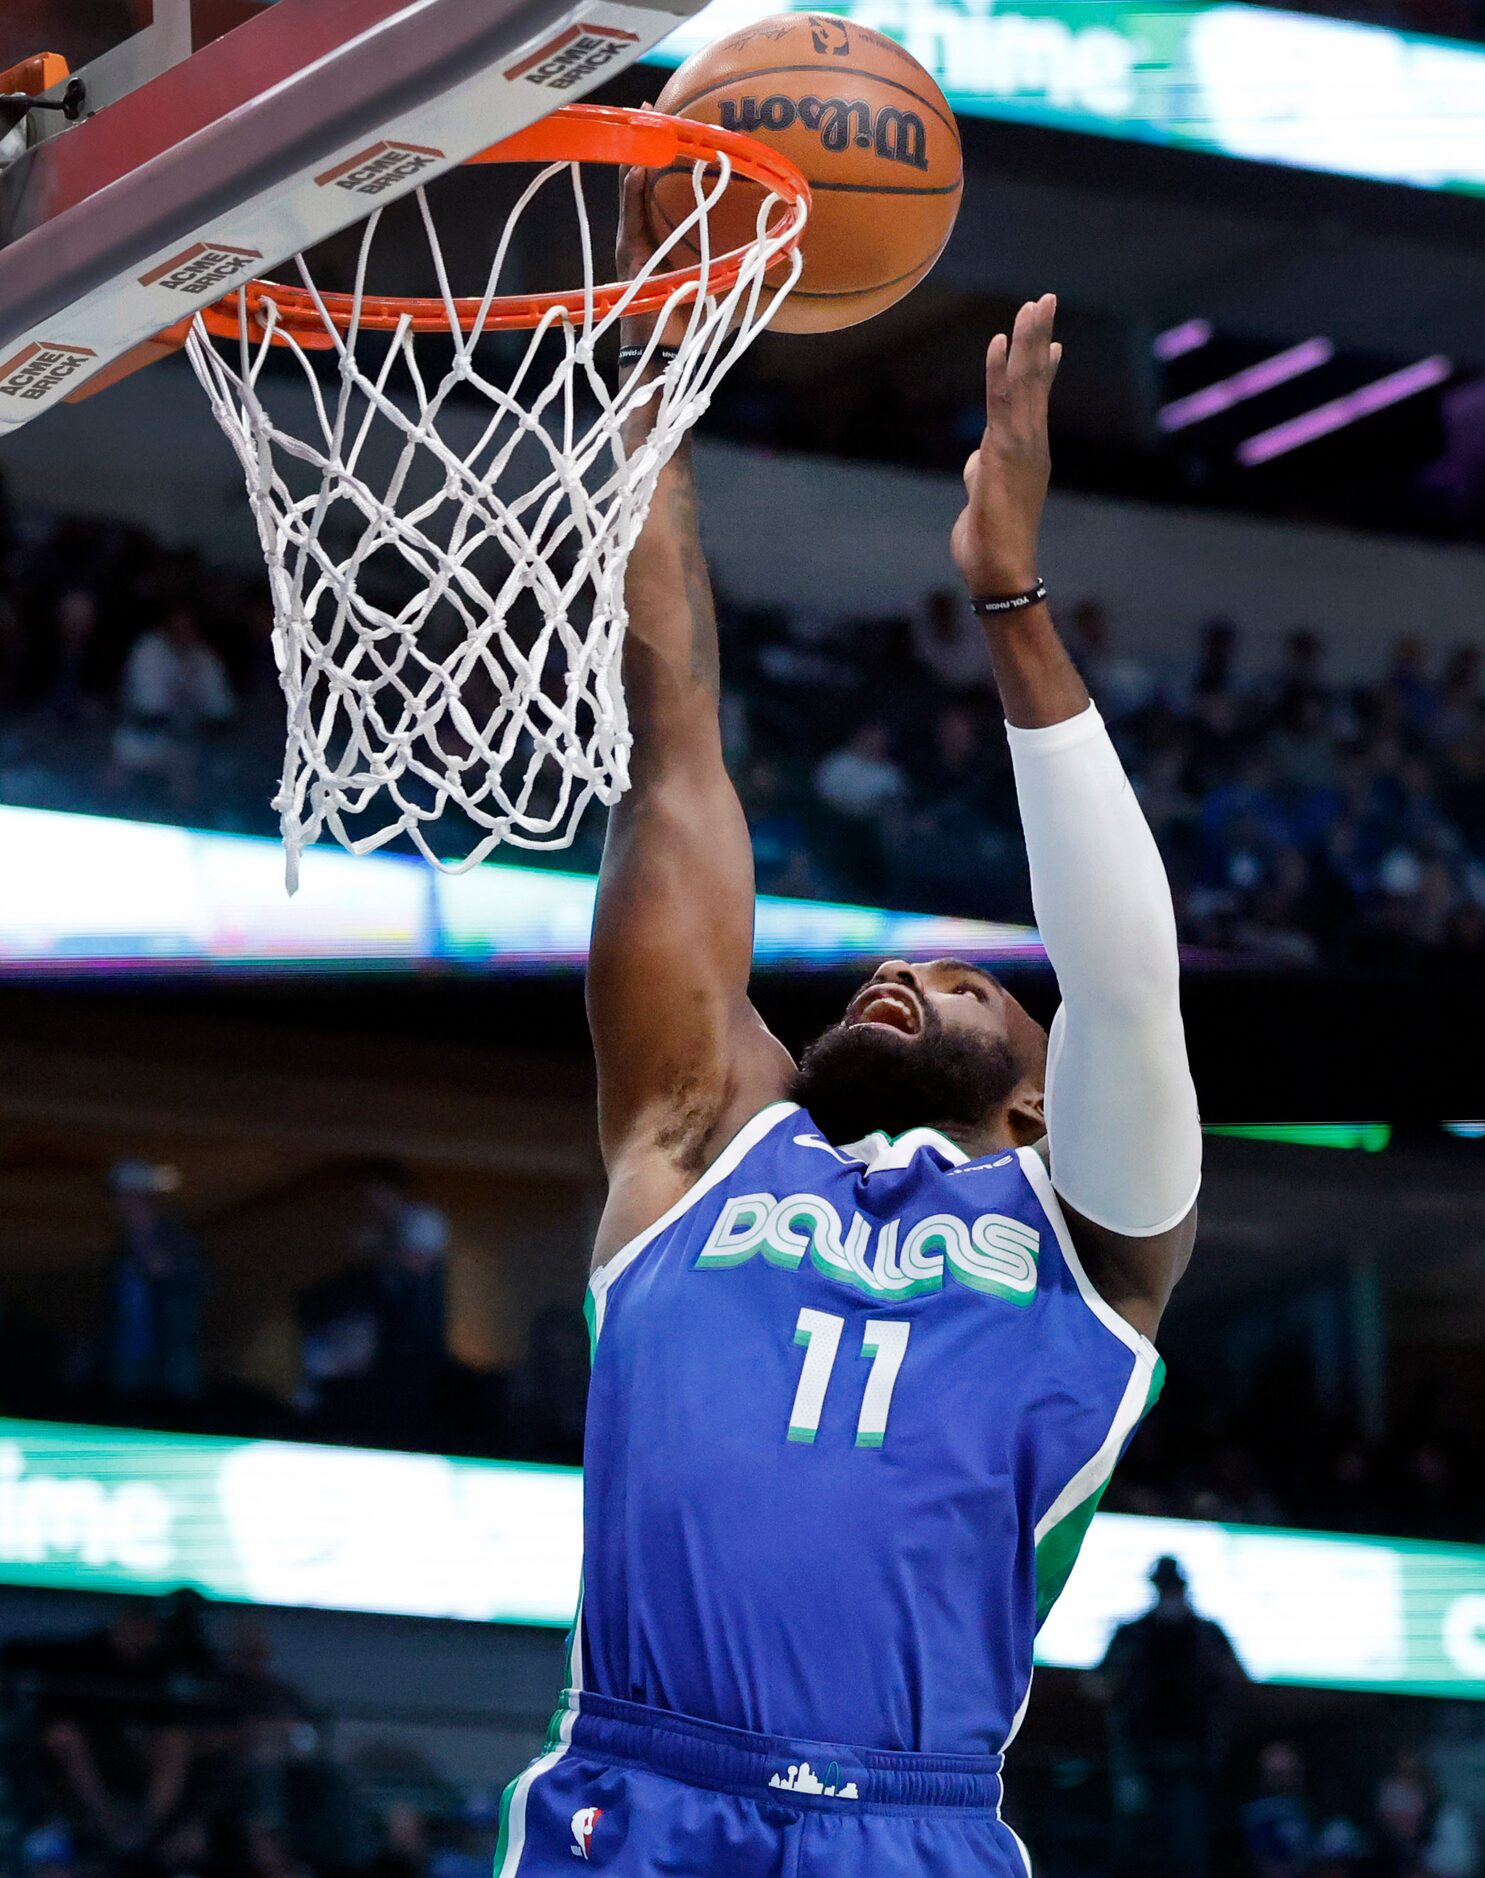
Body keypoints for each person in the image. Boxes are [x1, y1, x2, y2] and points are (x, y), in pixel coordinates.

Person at [491, 187, 1201, 1878]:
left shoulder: (1087, 1243)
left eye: (972, 985)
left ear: (1042, 1105)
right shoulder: (702, 1134)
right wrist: (650, 397)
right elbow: (676, 747)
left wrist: (1013, 600)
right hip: (637, 1794)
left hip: (909, 1819)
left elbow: (1122, 976)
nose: (914, 973)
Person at [1098, 1556, 1247, 1878]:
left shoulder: (1206, 1634)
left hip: (1191, 1757)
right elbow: (1098, 1685)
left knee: (1187, 1848)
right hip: (1138, 1755)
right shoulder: (1133, 1634)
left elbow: (1238, 1680)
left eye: (1173, 1587)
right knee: (1132, 1845)